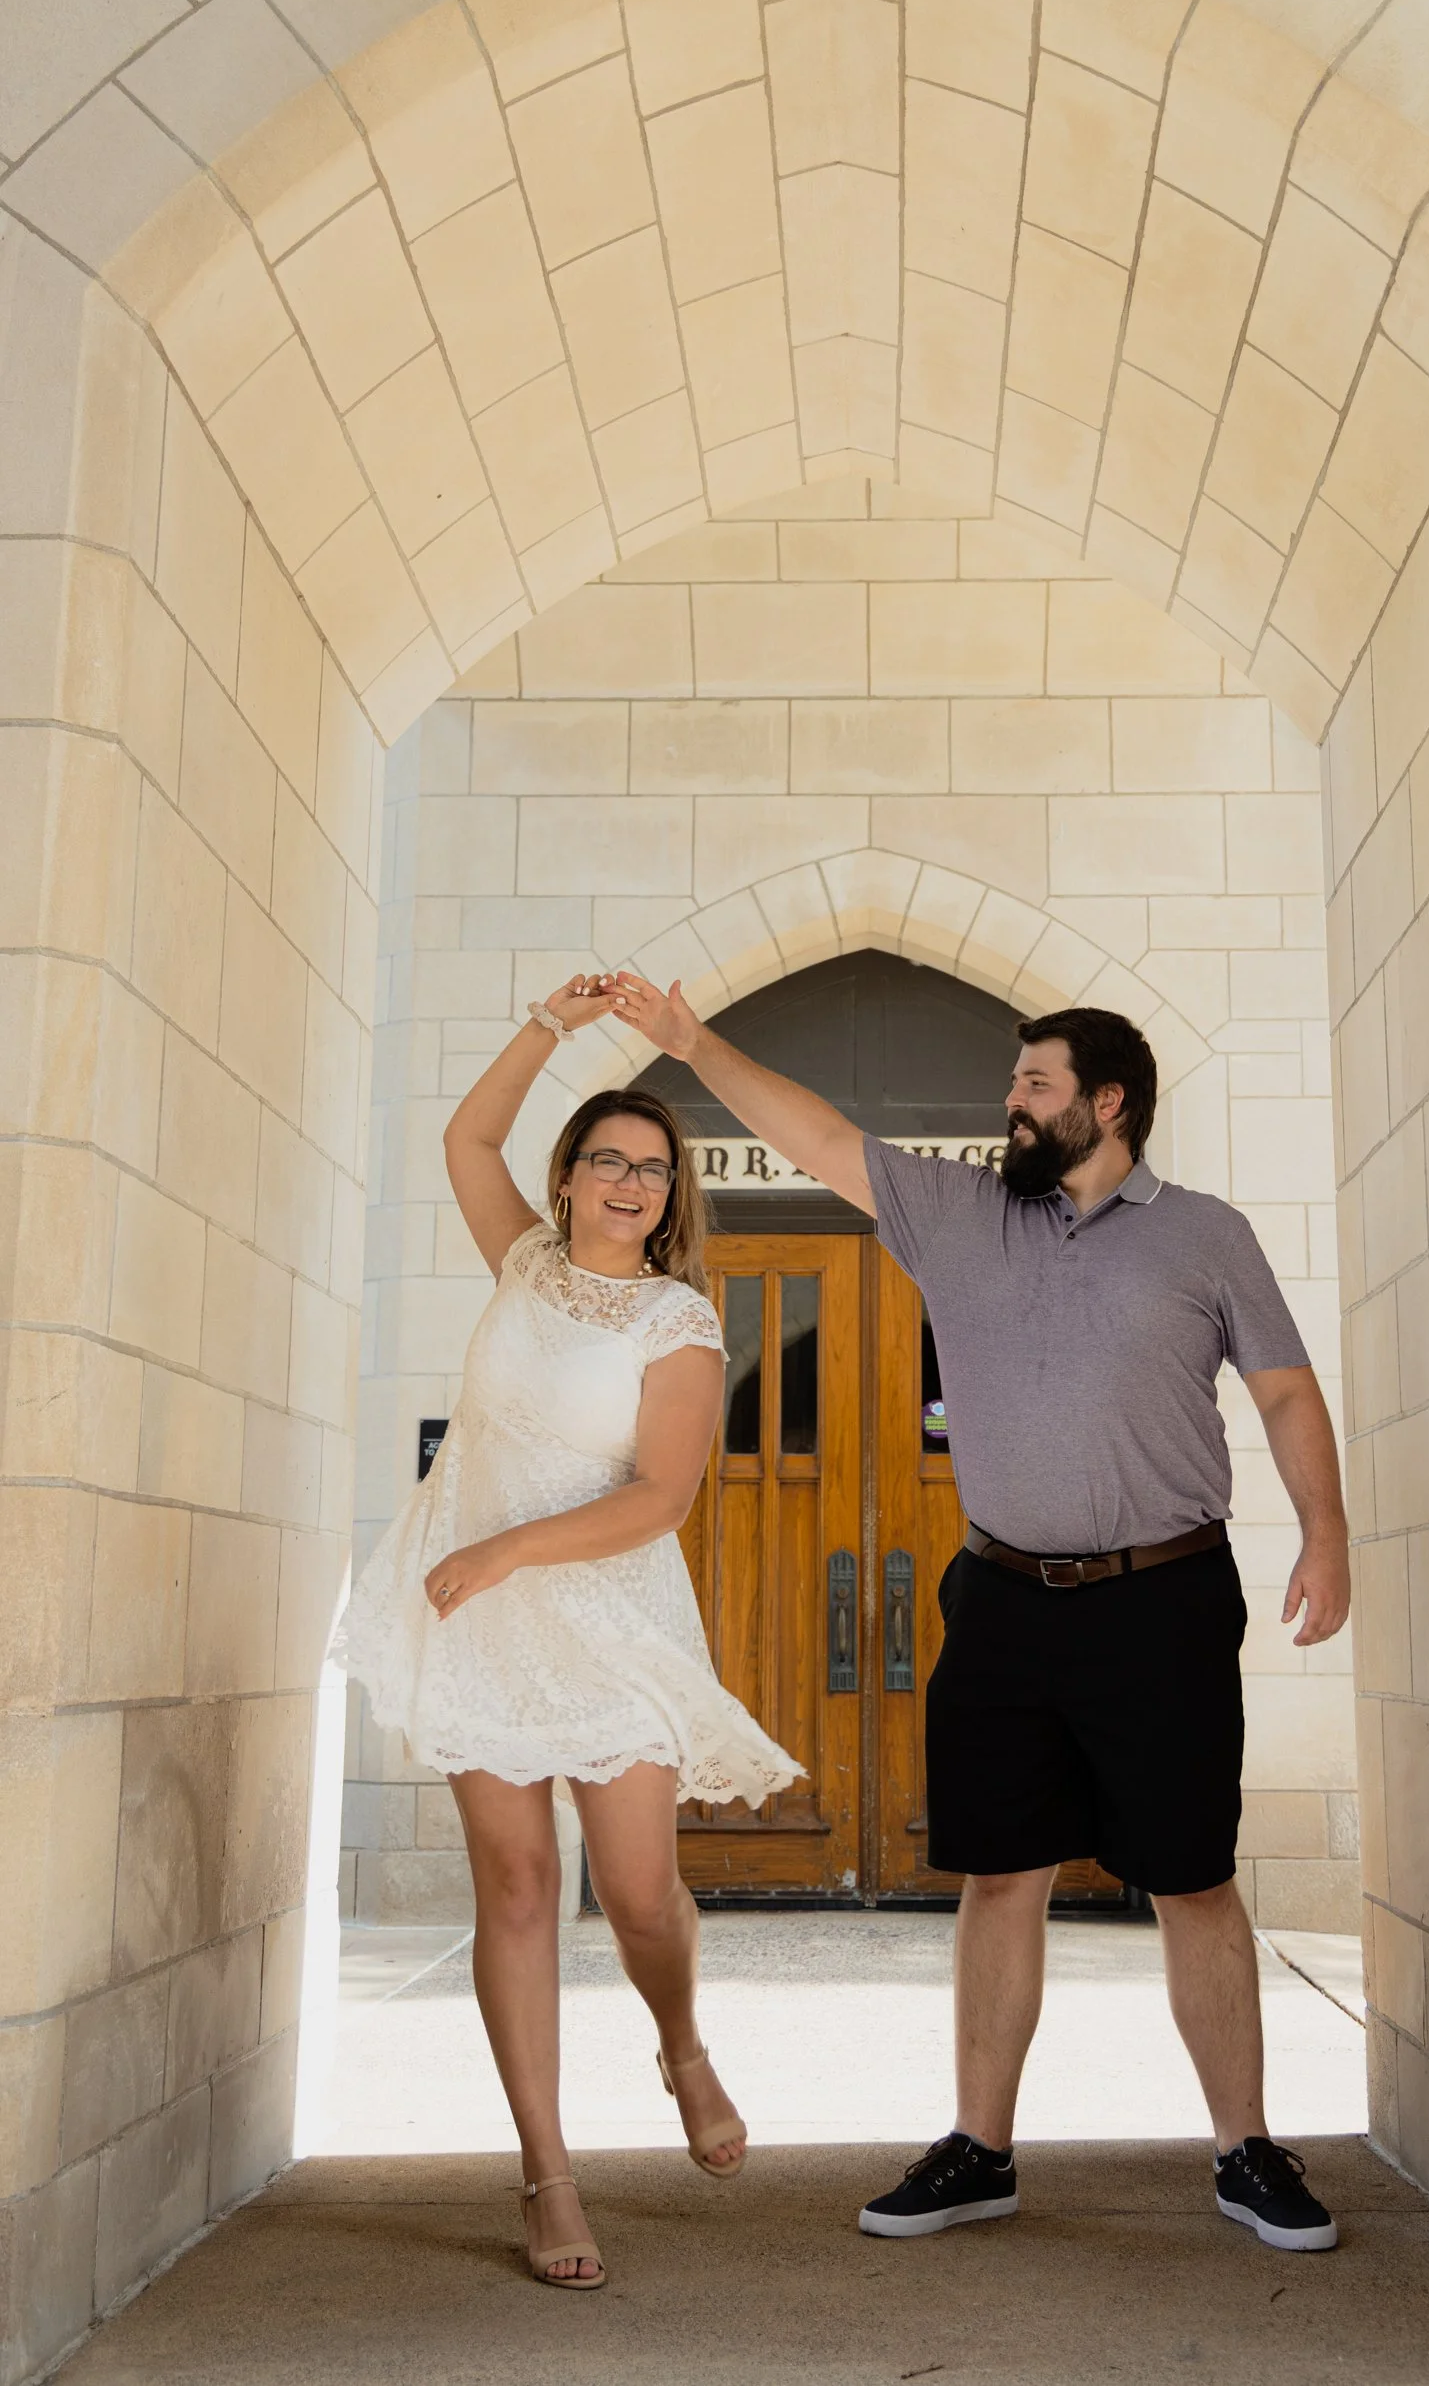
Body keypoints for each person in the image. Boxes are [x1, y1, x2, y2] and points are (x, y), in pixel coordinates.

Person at [606, 972, 1350, 2256]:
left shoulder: (1207, 1235)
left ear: (1105, 1103)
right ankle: (979, 2149)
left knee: (1191, 1878)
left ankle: (1245, 2148)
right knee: (998, 1875)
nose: (1010, 1101)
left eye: (1033, 1084)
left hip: (1163, 1597)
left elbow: (1283, 1390)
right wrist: (689, 1043)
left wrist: (1325, 1533)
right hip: (1003, 1599)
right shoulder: (957, 1212)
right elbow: (816, 1135)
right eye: (1012, 1082)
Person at [337, 978, 800, 2289]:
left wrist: (508, 1549)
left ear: (670, 1195)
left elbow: (660, 1497)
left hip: (605, 1616)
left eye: (651, 1169)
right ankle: (546, 2171)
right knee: (519, 1888)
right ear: (567, 1176)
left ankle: (679, 2042)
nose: (628, 1182)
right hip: (479, 1623)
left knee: (639, 1892)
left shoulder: (678, 1323)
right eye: (607, 1159)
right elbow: (464, 1138)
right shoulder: (523, 1261)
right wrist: (545, 1026)